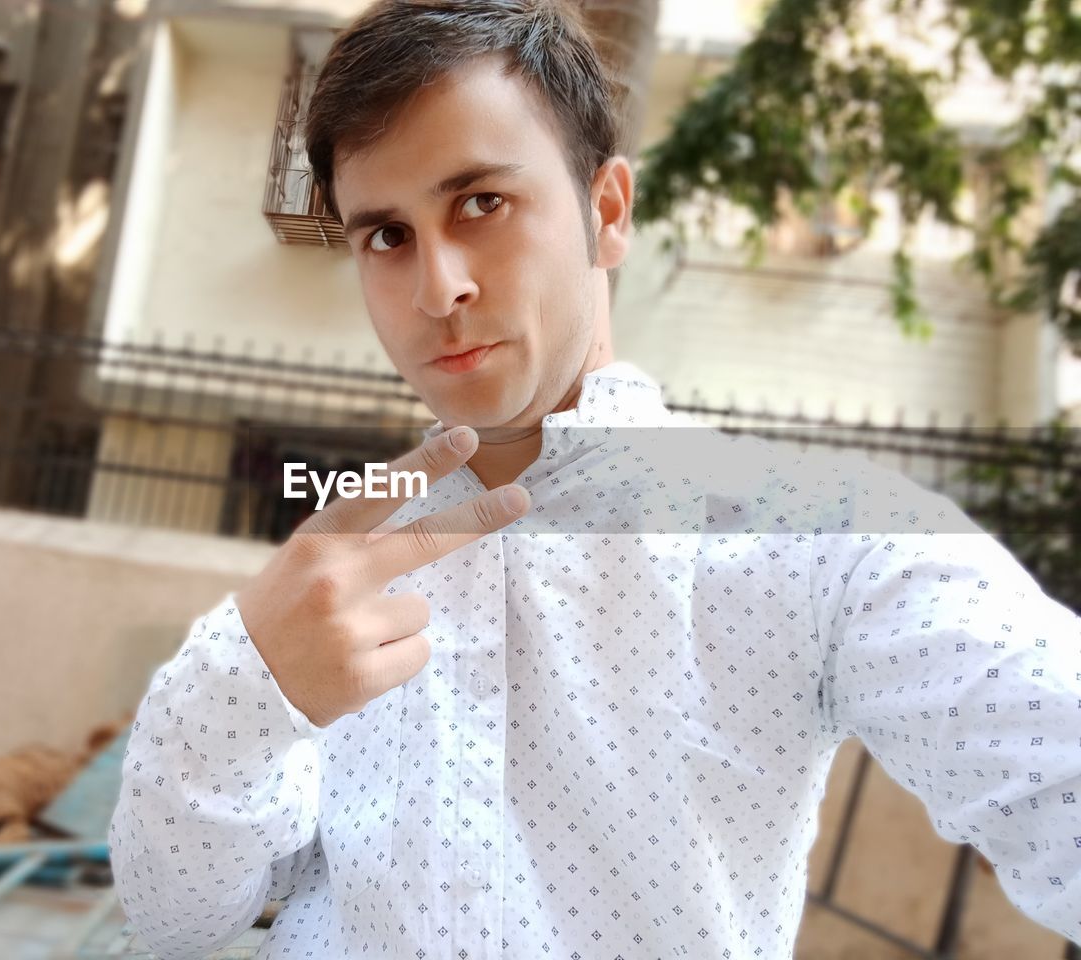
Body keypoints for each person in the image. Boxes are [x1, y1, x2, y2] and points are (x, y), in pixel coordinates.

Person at [107, 0, 1081, 956]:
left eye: (480, 203)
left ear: (605, 212)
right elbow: (178, 918)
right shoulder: (341, 569)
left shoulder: (820, 537)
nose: (435, 286)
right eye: (386, 236)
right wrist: (243, 684)